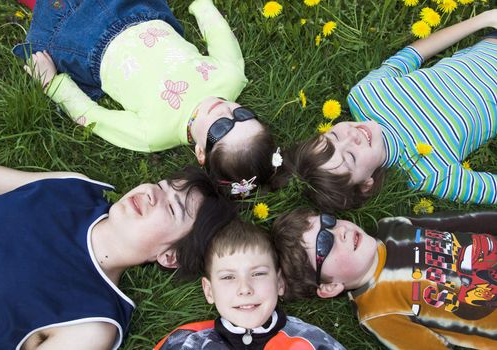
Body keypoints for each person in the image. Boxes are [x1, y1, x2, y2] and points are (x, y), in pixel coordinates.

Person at [0, 152, 236, 350]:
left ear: (170, 256)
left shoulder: (93, 323)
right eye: (161, 185)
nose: (150, 193)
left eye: (171, 208)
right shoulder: (75, 188)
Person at [14, 0, 276, 187]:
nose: (225, 111)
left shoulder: (154, 134)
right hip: (137, 10)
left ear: (200, 153)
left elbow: (93, 117)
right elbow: (220, 35)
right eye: (243, 114)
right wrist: (202, 5)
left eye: (220, 129)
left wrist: (53, 84)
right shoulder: (230, 78)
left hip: (88, 44)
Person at [274, 10, 497, 211]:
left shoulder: (366, 95)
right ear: (366, 184)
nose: (351, 136)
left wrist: (483, 19)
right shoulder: (429, 174)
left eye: (332, 135)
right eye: (350, 156)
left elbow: (413, 54)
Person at [272, 208, 497, 349]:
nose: (339, 231)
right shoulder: (378, 311)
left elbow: (457, 222)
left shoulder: (392, 227)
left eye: (329, 221)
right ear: (330, 287)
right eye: (325, 244)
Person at [155, 219, 345, 349]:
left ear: (279, 283)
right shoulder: (185, 342)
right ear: (209, 290)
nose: (245, 288)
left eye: (258, 273)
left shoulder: (312, 341)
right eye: (228, 277)